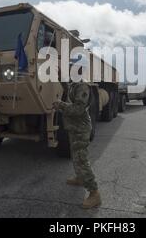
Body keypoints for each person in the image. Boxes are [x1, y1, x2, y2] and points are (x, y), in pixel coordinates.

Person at [53, 81, 101, 209]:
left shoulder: (83, 87)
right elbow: (68, 90)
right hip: (74, 128)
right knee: (75, 155)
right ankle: (80, 178)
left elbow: (79, 108)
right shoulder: (73, 85)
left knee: (81, 159)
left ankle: (94, 194)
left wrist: (61, 105)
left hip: (81, 129)